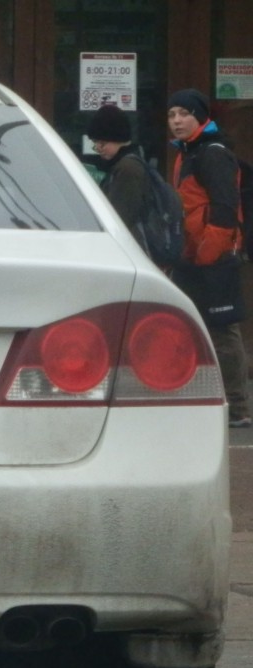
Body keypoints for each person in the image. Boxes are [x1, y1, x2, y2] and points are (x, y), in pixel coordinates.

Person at [167, 88, 251, 427]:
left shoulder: (212, 154)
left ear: (200, 117)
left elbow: (225, 208)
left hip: (212, 258)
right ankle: (201, 395)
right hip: (191, 256)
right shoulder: (187, 153)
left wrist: (208, 250)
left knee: (222, 330)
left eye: (183, 114)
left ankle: (238, 406)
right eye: (171, 115)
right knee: (188, 326)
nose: (176, 121)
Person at [87, 104, 147, 245]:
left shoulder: (127, 169)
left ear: (118, 139)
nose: (98, 148)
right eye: (95, 143)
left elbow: (121, 218)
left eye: (102, 143)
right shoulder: (123, 165)